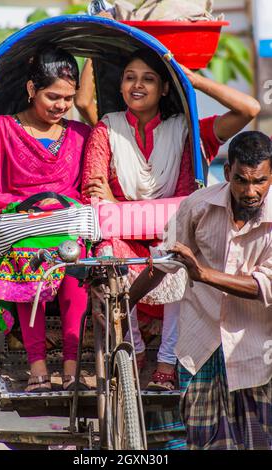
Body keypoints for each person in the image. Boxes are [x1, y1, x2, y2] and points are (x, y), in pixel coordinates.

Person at [80, 48, 261, 390]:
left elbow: (249, 109)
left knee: (180, 254)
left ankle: (166, 361)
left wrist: (190, 80)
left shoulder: (187, 130)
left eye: (148, 79)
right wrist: (123, 209)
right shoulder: (107, 129)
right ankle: (130, 352)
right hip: (123, 239)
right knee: (106, 255)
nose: (138, 85)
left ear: (164, 88)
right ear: (119, 86)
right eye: (130, 78)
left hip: (168, 236)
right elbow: (94, 189)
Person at [128, 131, 272, 449]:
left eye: (260, 181)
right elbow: (163, 261)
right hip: (200, 344)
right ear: (227, 171)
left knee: (260, 440)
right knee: (201, 440)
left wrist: (201, 273)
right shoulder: (199, 205)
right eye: (241, 180)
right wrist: (125, 302)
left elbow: (264, 286)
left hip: (257, 349)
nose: (251, 191)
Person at [0, 47, 91, 392]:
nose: (61, 106)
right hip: (16, 229)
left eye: (68, 99)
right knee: (29, 255)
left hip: (67, 228)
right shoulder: (1, 129)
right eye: (53, 96)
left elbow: (89, 190)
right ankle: (37, 368)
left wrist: (62, 206)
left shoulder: (81, 136)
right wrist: (31, 208)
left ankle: (72, 368)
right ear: (30, 89)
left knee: (77, 259)